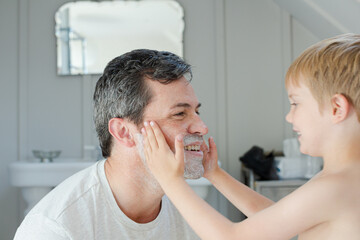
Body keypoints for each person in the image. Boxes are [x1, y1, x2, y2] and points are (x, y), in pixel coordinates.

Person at [142, 33, 360, 240]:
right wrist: (215, 174)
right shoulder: (344, 179)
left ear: (336, 108)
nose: (289, 116)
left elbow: (231, 237)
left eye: (295, 104)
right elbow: (277, 219)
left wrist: (171, 181)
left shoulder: (334, 186)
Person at [14, 49, 209, 239]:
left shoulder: (193, 216)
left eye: (196, 113)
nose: (202, 128)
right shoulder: (55, 228)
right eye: (179, 114)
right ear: (124, 132)